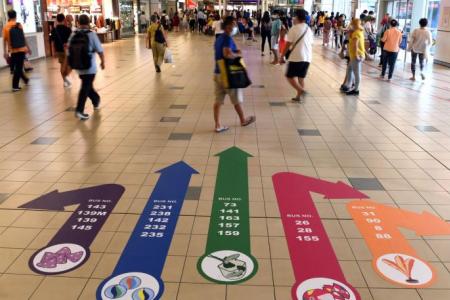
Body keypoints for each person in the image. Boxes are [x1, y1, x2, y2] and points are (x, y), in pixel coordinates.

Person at [213, 16, 255, 133]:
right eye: (234, 24)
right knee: (236, 99)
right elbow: (226, 54)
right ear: (228, 26)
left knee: (218, 100)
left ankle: (217, 125)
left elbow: (220, 52)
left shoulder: (220, 38)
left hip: (217, 73)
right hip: (228, 74)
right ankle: (243, 120)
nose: (235, 26)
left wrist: (235, 51)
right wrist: (237, 56)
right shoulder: (227, 38)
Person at [68, 14, 105, 120]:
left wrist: (68, 65)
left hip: (78, 66)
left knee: (86, 85)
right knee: (85, 87)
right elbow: (100, 50)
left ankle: (96, 100)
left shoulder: (73, 34)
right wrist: (103, 62)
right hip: (90, 66)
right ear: (88, 23)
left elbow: (68, 51)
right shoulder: (91, 34)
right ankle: (79, 110)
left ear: (78, 23)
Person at [280, 9, 313, 102]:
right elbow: (311, 43)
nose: (293, 18)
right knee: (301, 78)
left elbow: (287, 44)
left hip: (297, 57)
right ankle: (298, 97)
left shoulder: (294, 28)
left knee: (289, 76)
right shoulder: (308, 28)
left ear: (298, 17)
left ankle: (301, 91)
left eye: (294, 16)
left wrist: (282, 55)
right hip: (308, 57)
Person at [3, 9, 30, 92]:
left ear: (8, 16)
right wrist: (28, 47)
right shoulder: (19, 25)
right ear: (16, 16)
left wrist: (5, 52)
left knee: (17, 67)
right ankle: (15, 86)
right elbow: (23, 37)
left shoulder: (6, 27)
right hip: (21, 49)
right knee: (18, 67)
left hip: (13, 50)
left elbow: (4, 40)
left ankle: (25, 80)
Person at [342, 19, 365, 95]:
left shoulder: (356, 33)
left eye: (351, 24)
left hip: (356, 56)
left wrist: (356, 55)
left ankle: (356, 90)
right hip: (354, 55)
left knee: (356, 72)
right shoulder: (358, 32)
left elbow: (355, 45)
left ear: (354, 25)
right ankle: (350, 85)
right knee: (349, 70)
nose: (350, 25)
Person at [51, 13, 72, 88]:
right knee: (69, 65)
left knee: (62, 65)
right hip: (67, 50)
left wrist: (53, 51)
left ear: (57, 20)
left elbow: (52, 42)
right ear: (64, 19)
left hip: (59, 50)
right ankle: (66, 79)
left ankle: (65, 81)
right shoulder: (68, 29)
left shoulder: (54, 30)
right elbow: (71, 41)